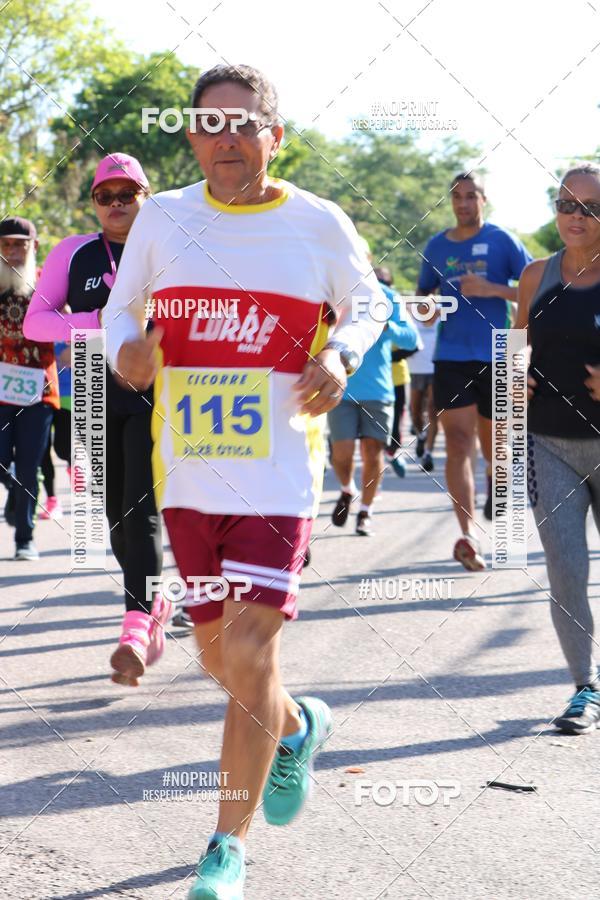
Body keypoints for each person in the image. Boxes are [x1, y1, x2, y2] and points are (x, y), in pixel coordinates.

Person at [102, 64, 383, 900]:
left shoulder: (318, 224)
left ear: (275, 134)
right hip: (187, 478)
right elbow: (123, 310)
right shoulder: (162, 219)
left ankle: (226, 843)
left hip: (275, 481)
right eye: (210, 125)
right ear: (191, 137)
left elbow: (369, 302)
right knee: (227, 663)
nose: (228, 139)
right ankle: (298, 728)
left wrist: (338, 352)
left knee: (254, 650)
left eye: (245, 123)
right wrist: (129, 352)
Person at [24, 153, 167, 686]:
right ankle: (153, 608)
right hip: (91, 390)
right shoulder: (74, 252)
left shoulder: (170, 249)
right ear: (94, 204)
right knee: (115, 517)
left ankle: (134, 625)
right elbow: (38, 321)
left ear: (146, 196)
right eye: (105, 196)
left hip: (157, 393)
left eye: (127, 194)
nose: (116, 204)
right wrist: (98, 320)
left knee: (142, 507)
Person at [517, 163, 600, 735]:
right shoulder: (535, 275)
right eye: (566, 203)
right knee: (566, 572)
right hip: (548, 443)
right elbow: (516, 344)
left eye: (591, 207)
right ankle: (583, 687)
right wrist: (514, 375)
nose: (576, 216)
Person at [417, 171, 531, 570]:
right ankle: (467, 536)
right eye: (457, 197)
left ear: (484, 199)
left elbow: (539, 287)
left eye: (471, 196)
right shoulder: (436, 245)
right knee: (459, 444)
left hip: (499, 353)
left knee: (496, 447)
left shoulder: (503, 241)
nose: (463, 203)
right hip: (450, 356)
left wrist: (493, 290)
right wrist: (426, 311)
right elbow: (422, 298)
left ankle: (495, 481)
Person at [329, 259, 418, 535]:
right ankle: (346, 489)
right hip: (341, 387)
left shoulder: (386, 297)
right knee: (341, 455)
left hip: (378, 391)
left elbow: (412, 339)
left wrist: (389, 327)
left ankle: (365, 512)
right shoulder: (333, 293)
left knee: (373, 453)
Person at [0, 217, 59, 560]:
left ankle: (25, 538)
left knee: (28, 466)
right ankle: (15, 494)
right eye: (6, 244)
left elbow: (67, 326)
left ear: (33, 247)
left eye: (19, 244)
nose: (12, 251)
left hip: (38, 392)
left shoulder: (47, 286)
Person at [39, 340, 72, 520]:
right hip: (39, 390)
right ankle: (52, 500)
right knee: (42, 448)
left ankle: (73, 462)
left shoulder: (67, 313)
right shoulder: (32, 316)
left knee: (62, 447)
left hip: (66, 391)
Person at [407, 300, 438, 472]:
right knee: (416, 411)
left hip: (436, 371)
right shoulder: (412, 319)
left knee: (433, 410)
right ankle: (421, 435)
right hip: (416, 371)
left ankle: (428, 453)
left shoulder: (442, 319)